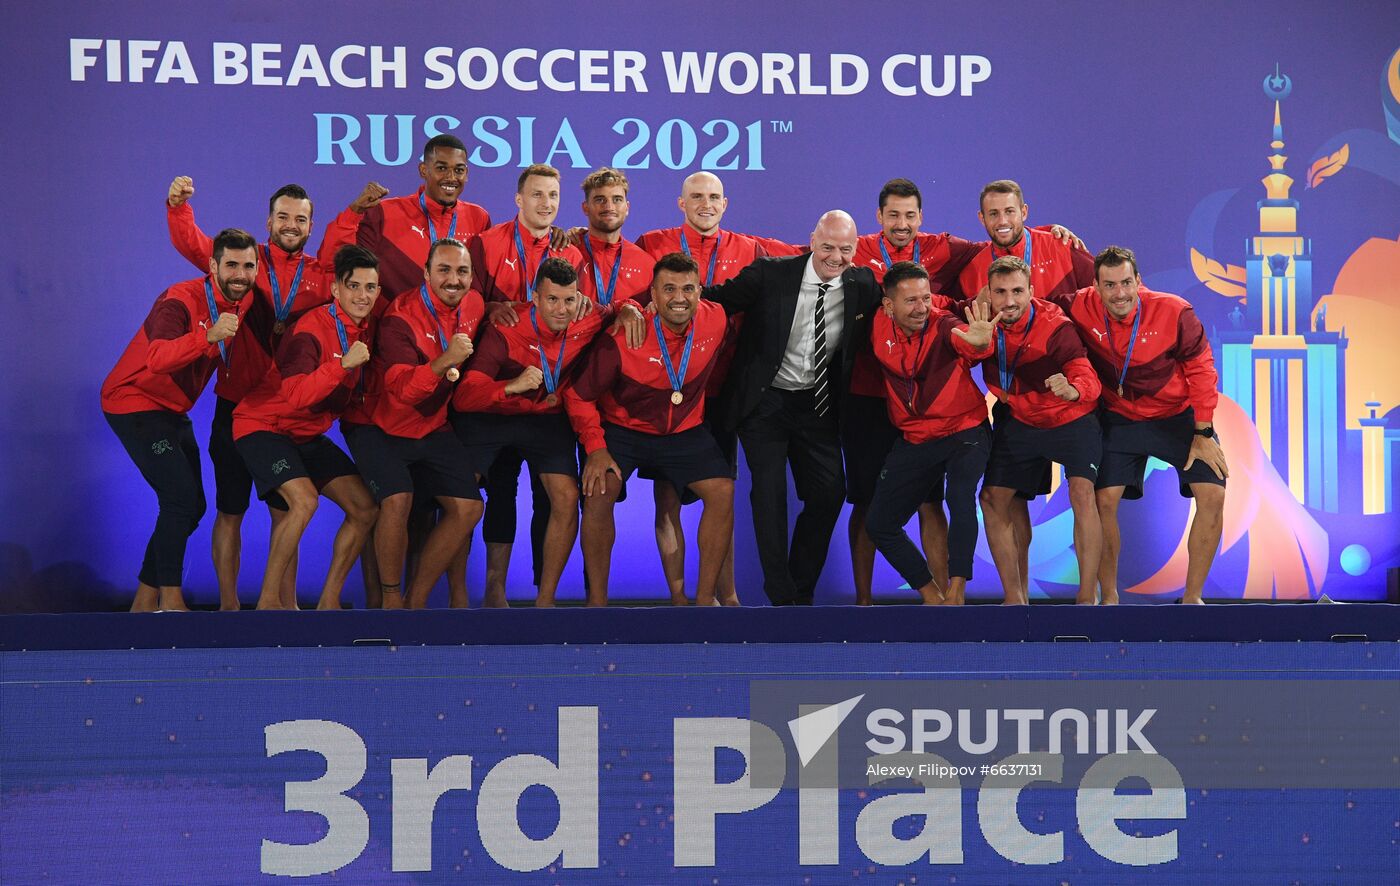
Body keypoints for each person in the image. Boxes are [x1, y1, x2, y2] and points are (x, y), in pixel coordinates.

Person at [166, 176, 342, 610]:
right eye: (283, 216)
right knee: (231, 511)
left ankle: (286, 608)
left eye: (300, 219)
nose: (290, 224)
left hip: (282, 415)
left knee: (288, 512)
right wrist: (178, 209)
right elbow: (196, 247)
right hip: (234, 409)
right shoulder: (247, 263)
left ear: (310, 226)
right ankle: (229, 607)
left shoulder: (321, 277)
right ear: (268, 221)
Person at [699, 210, 882, 605]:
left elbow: (909, 302)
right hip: (764, 402)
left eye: (846, 249)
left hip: (816, 405)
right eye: (828, 246)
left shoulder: (862, 283)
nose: (836, 257)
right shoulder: (770, 273)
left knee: (830, 494)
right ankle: (781, 597)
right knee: (769, 495)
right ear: (812, 240)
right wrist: (643, 307)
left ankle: (800, 591)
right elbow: (714, 301)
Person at [451, 258, 641, 606]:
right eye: (552, 299)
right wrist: (510, 386)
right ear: (535, 298)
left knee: (567, 497)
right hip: (493, 414)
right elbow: (464, 396)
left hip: (546, 418)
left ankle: (545, 602)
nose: (561, 309)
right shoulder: (505, 327)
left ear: (579, 298)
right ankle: (462, 597)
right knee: (462, 497)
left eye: (569, 300)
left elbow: (618, 306)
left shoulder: (588, 317)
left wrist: (629, 310)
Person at [1047, 246, 1228, 604]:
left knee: (1214, 494)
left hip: (1177, 417)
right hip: (1120, 418)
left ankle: (1192, 599)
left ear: (1139, 281)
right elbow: (1034, 310)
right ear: (1095, 287)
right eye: (1110, 285)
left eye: (1127, 283)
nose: (1120, 294)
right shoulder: (1076, 306)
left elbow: (1202, 371)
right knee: (1104, 501)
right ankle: (1110, 598)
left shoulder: (1175, 311)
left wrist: (1203, 431)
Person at [634, 172, 776, 604]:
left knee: (721, 496)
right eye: (696, 196)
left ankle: (725, 596)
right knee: (667, 499)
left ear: (726, 203)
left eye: (714, 197)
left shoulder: (751, 249)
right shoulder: (649, 244)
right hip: (668, 391)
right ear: (681, 203)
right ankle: (680, 599)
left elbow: (811, 255)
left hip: (725, 393)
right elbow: (627, 291)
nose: (706, 204)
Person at [101, 228, 260, 612]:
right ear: (213, 266)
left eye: (249, 266)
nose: (240, 274)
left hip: (172, 410)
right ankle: (170, 600)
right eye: (232, 265)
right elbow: (157, 358)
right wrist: (207, 337)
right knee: (179, 499)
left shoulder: (246, 298)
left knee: (192, 507)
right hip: (133, 400)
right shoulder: (178, 300)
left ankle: (143, 599)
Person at [845, 178, 985, 604]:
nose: (902, 224)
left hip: (948, 418)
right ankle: (871, 600)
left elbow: (997, 246)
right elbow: (803, 254)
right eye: (893, 215)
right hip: (877, 405)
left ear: (921, 218)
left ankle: (948, 594)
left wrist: (1051, 234)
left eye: (910, 215)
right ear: (878, 217)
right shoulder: (855, 249)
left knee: (941, 502)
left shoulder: (942, 257)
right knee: (870, 507)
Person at [568, 253, 735, 605]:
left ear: (700, 292)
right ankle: (597, 604)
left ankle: (704, 602)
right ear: (653, 295)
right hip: (624, 429)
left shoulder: (717, 320)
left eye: (688, 289)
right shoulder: (623, 336)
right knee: (598, 492)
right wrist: (596, 448)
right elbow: (578, 395)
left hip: (684, 430)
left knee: (722, 492)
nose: (679, 298)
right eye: (669, 289)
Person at [464, 164, 590, 604]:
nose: (546, 204)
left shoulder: (571, 251)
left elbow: (580, 308)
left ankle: (543, 595)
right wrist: (494, 305)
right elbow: (467, 298)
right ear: (519, 199)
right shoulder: (486, 243)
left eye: (553, 196)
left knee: (550, 496)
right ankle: (494, 589)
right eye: (537, 195)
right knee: (499, 489)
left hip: (550, 395)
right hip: (498, 386)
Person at [232, 245, 382, 610]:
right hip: (262, 426)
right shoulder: (311, 330)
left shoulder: (364, 328)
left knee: (365, 507)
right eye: (354, 286)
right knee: (304, 501)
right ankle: (268, 604)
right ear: (335, 289)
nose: (363, 296)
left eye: (371, 287)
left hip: (304, 434)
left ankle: (328, 602)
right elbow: (296, 395)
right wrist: (343, 365)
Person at [344, 238, 485, 609]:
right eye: (444, 270)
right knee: (397, 500)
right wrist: (445, 360)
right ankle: (392, 601)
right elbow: (401, 392)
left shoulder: (475, 303)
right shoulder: (398, 318)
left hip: (432, 425)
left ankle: (415, 601)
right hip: (381, 424)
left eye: (462, 271)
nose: (453, 280)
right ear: (425, 274)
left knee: (469, 509)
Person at [865, 262, 996, 604]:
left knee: (959, 496)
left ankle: (956, 591)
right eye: (911, 301)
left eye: (927, 298)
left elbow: (969, 343)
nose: (922, 308)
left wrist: (981, 344)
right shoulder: (877, 324)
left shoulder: (943, 324)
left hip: (965, 429)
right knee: (879, 524)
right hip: (915, 438)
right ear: (888, 306)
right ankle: (931, 595)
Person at [975, 256, 1102, 605]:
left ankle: (1087, 597)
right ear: (989, 293)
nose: (1010, 300)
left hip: (1070, 417)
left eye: (1018, 291)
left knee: (1082, 493)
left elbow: (1086, 375)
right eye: (1000, 292)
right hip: (1020, 418)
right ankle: (1015, 598)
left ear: (1031, 291)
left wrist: (1074, 389)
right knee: (993, 499)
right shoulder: (980, 319)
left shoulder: (1054, 326)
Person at [319, 134, 491, 299]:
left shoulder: (478, 218)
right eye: (441, 168)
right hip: (396, 325)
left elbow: (481, 282)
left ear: (466, 174)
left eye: (459, 170)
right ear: (423, 170)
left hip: (456, 326)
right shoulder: (385, 213)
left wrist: (491, 306)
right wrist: (354, 212)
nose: (451, 177)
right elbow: (332, 264)